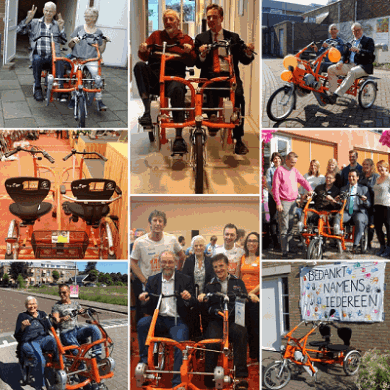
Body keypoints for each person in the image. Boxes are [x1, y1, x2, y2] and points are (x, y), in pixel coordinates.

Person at [194, 4, 255, 155]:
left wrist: (247, 52)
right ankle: (212, 119)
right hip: (210, 76)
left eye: (214, 17)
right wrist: (201, 54)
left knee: (239, 97)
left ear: (221, 18)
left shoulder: (233, 37)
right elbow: (197, 63)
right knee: (207, 90)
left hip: (229, 76)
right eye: (208, 17)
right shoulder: (201, 38)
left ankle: (238, 139)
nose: (211, 20)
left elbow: (245, 59)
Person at [133, 9, 196, 153]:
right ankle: (148, 111)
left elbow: (193, 61)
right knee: (139, 66)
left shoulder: (186, 39)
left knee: (178, 89)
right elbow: (144, 56)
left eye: (171, 19)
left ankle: (179, 138)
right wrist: (143, 49)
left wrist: (188, 52)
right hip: (155, 75)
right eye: (165, 19)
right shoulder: (156, 36)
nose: (168, 22)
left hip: (174, 77)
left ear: (178, 22)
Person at [137, 250, 195, 388]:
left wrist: (188, 298)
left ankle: (177, 382)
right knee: (142, 324)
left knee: (181, 343)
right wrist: (144, 300)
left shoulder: (185, 279)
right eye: (164, 262)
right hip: (159, 319)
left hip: (178, 321)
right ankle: (145, 363)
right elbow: (147, 305)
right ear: (159, 263)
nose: (167, 265)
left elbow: (194, 303)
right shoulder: (152, 280)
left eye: (170, 262)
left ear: (176, 263)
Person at [198, 254, 249, 389]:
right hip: (216, 320)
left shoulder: (238, 282)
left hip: (233, 319)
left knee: (241, 332)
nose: (219, 269)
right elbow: (205, 306)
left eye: (221, 266)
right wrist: (203, 297)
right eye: (216, 267)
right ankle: (209, 378)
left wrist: (249, 298)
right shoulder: (209, 285)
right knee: (212, 342)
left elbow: (244, 299)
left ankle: (240, 376)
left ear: (227, 265)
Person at [130, 210, 186, 324]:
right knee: (149, 318)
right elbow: (132, 262)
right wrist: (144, 280)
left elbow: (182, 256)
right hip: (149, 285)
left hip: (168, 283)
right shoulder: (140, 242)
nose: (157, 223)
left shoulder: (171, 239)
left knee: (168, 314)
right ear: (149, 223)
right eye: (154, 220)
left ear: (164, 224)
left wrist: (178, 272)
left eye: (160, 221)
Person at [17, 2, 67, 102]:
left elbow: (63, 41)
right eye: (46, 10)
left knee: (61, 61)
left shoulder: (57, 24)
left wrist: (61, 28)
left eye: (51, 11)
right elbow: (19, 31)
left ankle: (61, 89)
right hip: (39, 55)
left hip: (53, 56)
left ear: (54, 12)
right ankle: (38, 88)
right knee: (36, 59)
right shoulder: (35, 22)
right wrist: (28, 18)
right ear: (43, 10)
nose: (48, 13)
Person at [67, 7, 111, 111]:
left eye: (90, 16)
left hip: (91, 59)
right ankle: (73, 98)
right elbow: (70, 45)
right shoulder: (79, 29)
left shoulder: (98, 32)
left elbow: (101, 50)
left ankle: (99, 100)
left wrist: (104, 42)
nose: (87, 18)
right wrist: (73, 41)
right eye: (86, 16)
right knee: (74, 77)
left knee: (97, 78)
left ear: (95, 17)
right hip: (78, 59)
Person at [272, 151, 313, 258]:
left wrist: (310, 189)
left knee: (291, 226)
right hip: (284, 202)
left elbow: (303, 180)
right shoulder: (279, 170)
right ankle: (284, 251)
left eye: (295, 162)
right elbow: (275, 188)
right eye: (292, 162)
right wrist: (278, 202)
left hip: (293, 202)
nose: (294, 164)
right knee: (284, 227)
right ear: (287, 160)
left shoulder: (294, 170)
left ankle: (289, 249)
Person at [14, 296, 58, 390]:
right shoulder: (22, 316)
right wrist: (22, 327)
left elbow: (50, 326)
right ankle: (39, 384)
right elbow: (17, 335)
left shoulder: (42, 314)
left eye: (33, 304)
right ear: (26, 306)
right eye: (29, 304)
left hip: (43, 339)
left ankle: (58, 365)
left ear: (37, 305)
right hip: (29, 341)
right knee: (40, 359)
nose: (32, 306)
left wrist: (54, 322)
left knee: (56, 341)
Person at [327, 23, 375, 104]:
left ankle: (336, 94)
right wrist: (341, 62)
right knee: (331, 69)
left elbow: (370, 53)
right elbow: (344, 55)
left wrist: (359, 50)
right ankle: (332, 93)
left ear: (362, 30)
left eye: (358, 30)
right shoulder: (350, 42)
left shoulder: (368, 40)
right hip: (349, 65)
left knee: (352, 71)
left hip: (363, 66)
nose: (357, 32)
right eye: (354, 30)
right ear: (352, 32)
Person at [52, 285, 102, 357]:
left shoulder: (75, 304)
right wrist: (62, 319)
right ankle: (79, 364)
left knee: (94, 328)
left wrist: (88, 313)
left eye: (64, 292)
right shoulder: (57, 306)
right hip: (66, 333)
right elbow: (55, 320)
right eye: (60, 293)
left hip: (77, 330)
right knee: (79, 355)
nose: (62, 295)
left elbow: (85, 316)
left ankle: (96, 352)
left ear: (69, 292)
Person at [182, 235, 215, 338]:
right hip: (192, 297)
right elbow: (184, 279)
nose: (199, 248)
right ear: (193, 247)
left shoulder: (210, 261)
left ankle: (206, 344)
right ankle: (196, 345)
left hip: (206, 297)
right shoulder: (188, 261)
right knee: (193, 323)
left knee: (207, 322)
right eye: (196, 246)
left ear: (205, 247)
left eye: (201, 245)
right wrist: (191, 295)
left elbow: (213, 279)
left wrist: (205, 294)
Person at [334, 169, 371, 254]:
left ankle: (355, 245)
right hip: (347, 211)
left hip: (359, 212)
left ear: (357, 177)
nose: (351, 178)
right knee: (337, 216)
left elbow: (369, 205)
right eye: (349, 176)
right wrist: (337, 201)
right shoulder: (344, 189)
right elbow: (340, 204)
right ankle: (338, 239)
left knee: (359, 220)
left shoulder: (364, 189)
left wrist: (365, 201)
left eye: (353, 176)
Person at [240, 233, 260, 363]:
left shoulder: (260, 259)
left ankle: (256, 356)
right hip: (242, 297)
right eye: (249, 240)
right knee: (244, 327)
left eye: (254, 241)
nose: (251, 243)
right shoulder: (242, 258)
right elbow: (238, 276)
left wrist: (252, 292)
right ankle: (248, 356)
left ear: (258, 244)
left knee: (255, 328)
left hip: (255, 297)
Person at [359, 158, 379, 250]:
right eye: (364, 164)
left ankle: (369, 242)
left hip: (373, 204)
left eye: (367, 164)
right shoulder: (361, 176)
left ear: (371, 166)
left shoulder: (376, 176)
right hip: (363, 203)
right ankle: (362, 242)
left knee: (371, 225)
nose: (365, 166)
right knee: (362, 223)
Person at [373, 161, 390, 257]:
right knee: (378, 227)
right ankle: (382, 246)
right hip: (377, 206)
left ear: (386, 167)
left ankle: (388, 249)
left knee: (389, 228)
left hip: (387, 206)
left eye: (381, 167)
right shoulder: (377, 179)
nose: (380, 169)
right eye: (378, 167)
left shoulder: (389, 178)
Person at [266, 152, 283, 250]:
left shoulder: (284, 170)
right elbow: (269, 185)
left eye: (278, 158)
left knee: (282, 219)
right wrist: (276, 197)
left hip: (283, 198)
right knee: (274, 219)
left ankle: (282, 242)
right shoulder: (270, 170)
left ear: (281, 159)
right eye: (275, 158)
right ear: (272, 160)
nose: (277, 160)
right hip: (273, 198)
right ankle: (275, 242)